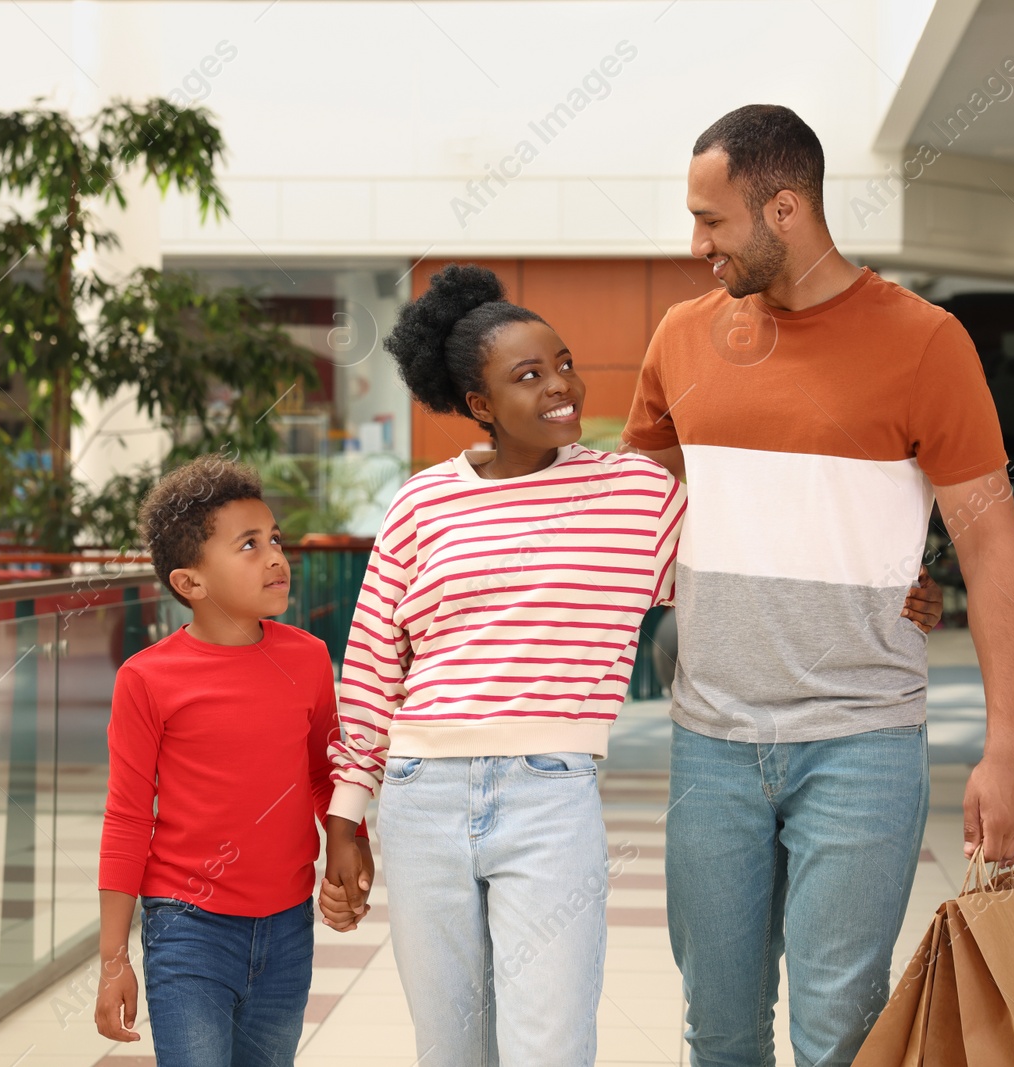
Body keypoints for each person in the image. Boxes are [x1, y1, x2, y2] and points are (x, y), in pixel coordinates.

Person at [321, 264, 943, 1066]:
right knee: (451, 1048)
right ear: (479, 405)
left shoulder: (636, 496)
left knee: (548, 1047)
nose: (562, 387)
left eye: (565, 363)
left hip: (550, 793)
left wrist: (897, 586)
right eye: (530, 376)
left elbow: (748, 561)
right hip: (418, 794)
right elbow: (372, 660)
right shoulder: (422, 503)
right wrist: (347, 812)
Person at [622, 104, 1014, 1067]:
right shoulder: (683, 338)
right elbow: (647, 501)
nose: (695, 246)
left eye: (712, 221)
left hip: (862, 741)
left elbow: (993, 544)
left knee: (839, 1032)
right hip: (711, 740)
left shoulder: (927, 342)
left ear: (785, 208)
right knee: (716, 1028)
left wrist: (1005, 750)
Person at [93, 454, 373, 1067]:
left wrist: (350, 847)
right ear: (189, 582)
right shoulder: (147, 679)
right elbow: (126, 819)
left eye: (275, 538)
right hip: (186, 928)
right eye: (248, 545)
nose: (276, 556)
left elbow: (326, 774)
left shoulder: (306, 659)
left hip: (287, 927)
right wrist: (114, 957)